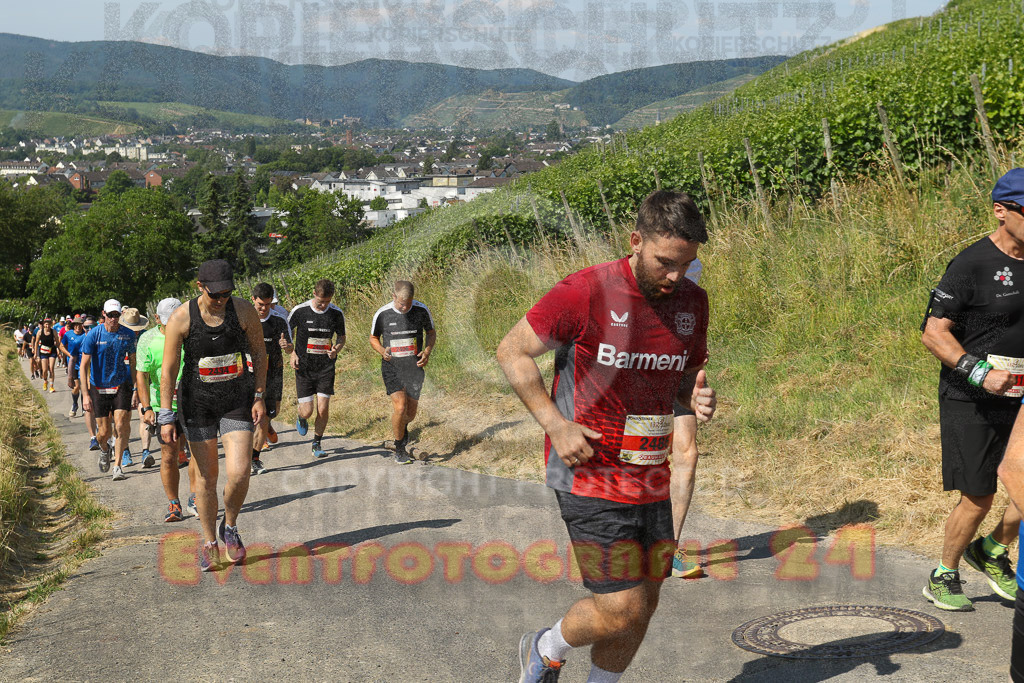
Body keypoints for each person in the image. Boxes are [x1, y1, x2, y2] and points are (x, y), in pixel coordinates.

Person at [496, 190, 716, 683]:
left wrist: (697, 398)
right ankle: (544, 646)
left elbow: (683, 382)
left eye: (687, 265)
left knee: (647, 600)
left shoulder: (692, 303)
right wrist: (556, 423)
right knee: (621, 608)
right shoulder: (585, 292)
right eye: (665, 263)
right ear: (635, 241)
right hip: (588, 470)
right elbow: (512, 351)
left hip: (651, 472)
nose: (676, 277)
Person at [921, 168, 1024, 612]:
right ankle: (944, 572)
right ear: (1002, 212)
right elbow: (933, 332)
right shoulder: (972, 264)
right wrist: (979, 371)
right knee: (979, 494)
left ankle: (992, 550)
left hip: (1020, 395)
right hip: (973, 397)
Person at [161, 259, 267, 571]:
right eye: (215, 295)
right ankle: (209, 541)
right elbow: (168, 369)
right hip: (198, 404)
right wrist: (166, 414)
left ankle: (229, 525)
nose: (221, 300)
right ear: (200, 287)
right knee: (207, 478)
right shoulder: (182, 317)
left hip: (236, 399)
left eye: (226, 294)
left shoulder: (243, 311)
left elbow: (260, 353)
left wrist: (259, 395)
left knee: (240, 471)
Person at [136, 298, 199, 522]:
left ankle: (195, 498)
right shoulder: (147, 339)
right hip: (163, 406)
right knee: (169, 456)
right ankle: (174, 503)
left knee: (197, 454)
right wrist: (146, 407)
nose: (171, 326)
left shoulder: (192, 334)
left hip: (193, 402)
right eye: (166, 322)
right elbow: (141, 375)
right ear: (156, 319)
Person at [370, 280, 436, 464]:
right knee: (399, 406)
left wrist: (427, 352)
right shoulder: (382, 313)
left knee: (411, 413)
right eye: (401, 303)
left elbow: (431, 332)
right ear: (393, 297)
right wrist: (382, 351)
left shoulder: (421, 310)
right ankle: (399, 449)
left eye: (408, 303)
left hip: (414, 366)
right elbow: (373, 338)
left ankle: (402, 427)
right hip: (392, 367)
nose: (405, 306)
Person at [669, 258, 706, 580]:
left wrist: (695, 387)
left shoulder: (695, 300)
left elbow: (695, 350)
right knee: (642, 458)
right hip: (639, 377)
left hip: (678, 376)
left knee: (687, 454)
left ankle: (669, 548)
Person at [80, 300, 138, 482]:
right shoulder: (94, 335)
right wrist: (86, 395)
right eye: (110, 315)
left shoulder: (128, 335)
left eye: (117, 315)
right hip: (98, 387)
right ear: (103, 314)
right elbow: (83, 367)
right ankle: (105, 449)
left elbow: (134, 363)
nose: (114, 318)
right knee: (103, 433)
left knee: (121, 425)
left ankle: (118, 467)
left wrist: (136, 389)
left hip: (120, 385)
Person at [288, 279, 346, 459]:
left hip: (325, 368)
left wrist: (337, 348)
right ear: (314, 294)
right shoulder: (300, 310)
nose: (323, 305)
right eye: (321, 301)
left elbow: (341, 337)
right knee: (308, 410)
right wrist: (291, 353)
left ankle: (317, 443)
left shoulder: (336, 313)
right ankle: (301, 417)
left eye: (327, 302)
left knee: (323, 408)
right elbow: (286, 332)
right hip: (304, 367)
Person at [251, 283, 293, 475]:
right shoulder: (246, 319)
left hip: (274, 374)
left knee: (271, 413)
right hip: (250, 375)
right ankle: (255, 458)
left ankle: (268, 425)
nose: (264, 308)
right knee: (258, 418)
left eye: (268, 304)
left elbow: (291, 348)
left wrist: (287, 347)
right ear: (253, 300)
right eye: (260, 304)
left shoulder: (279, 320)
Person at [118, 307, 150, 468]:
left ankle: (146, 451)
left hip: (142, 381)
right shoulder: (119, 337)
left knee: (144, 414)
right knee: (122, 420)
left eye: (137, 329)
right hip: (121, 382)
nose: (135, 332)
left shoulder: (146, 337)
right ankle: (124, 450)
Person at [59, 316, 87, 418]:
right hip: (73, 364)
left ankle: (84, 406)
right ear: (73, 326)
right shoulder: (68, 334)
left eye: (80, 325)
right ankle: (75, 404)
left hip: (84, 363)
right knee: (76, 387)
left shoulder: (86, 335)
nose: (78, 327)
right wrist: (69, 355)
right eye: (76, 325)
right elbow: (61, 346)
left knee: (84, 386)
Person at [34, 318, 59, 392]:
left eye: (49, 324)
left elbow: (57, 342)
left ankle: (51, 386)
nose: (47, 325)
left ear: (51, 324)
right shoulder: (39, 332)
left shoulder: (53, 331)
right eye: (46, 324)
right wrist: (36, 353)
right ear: (43, 324)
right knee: (44, 370)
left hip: (52, 351)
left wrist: (59, 351)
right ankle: (45, 381)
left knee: (51, 368)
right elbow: (36, 343)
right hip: (43, 352)